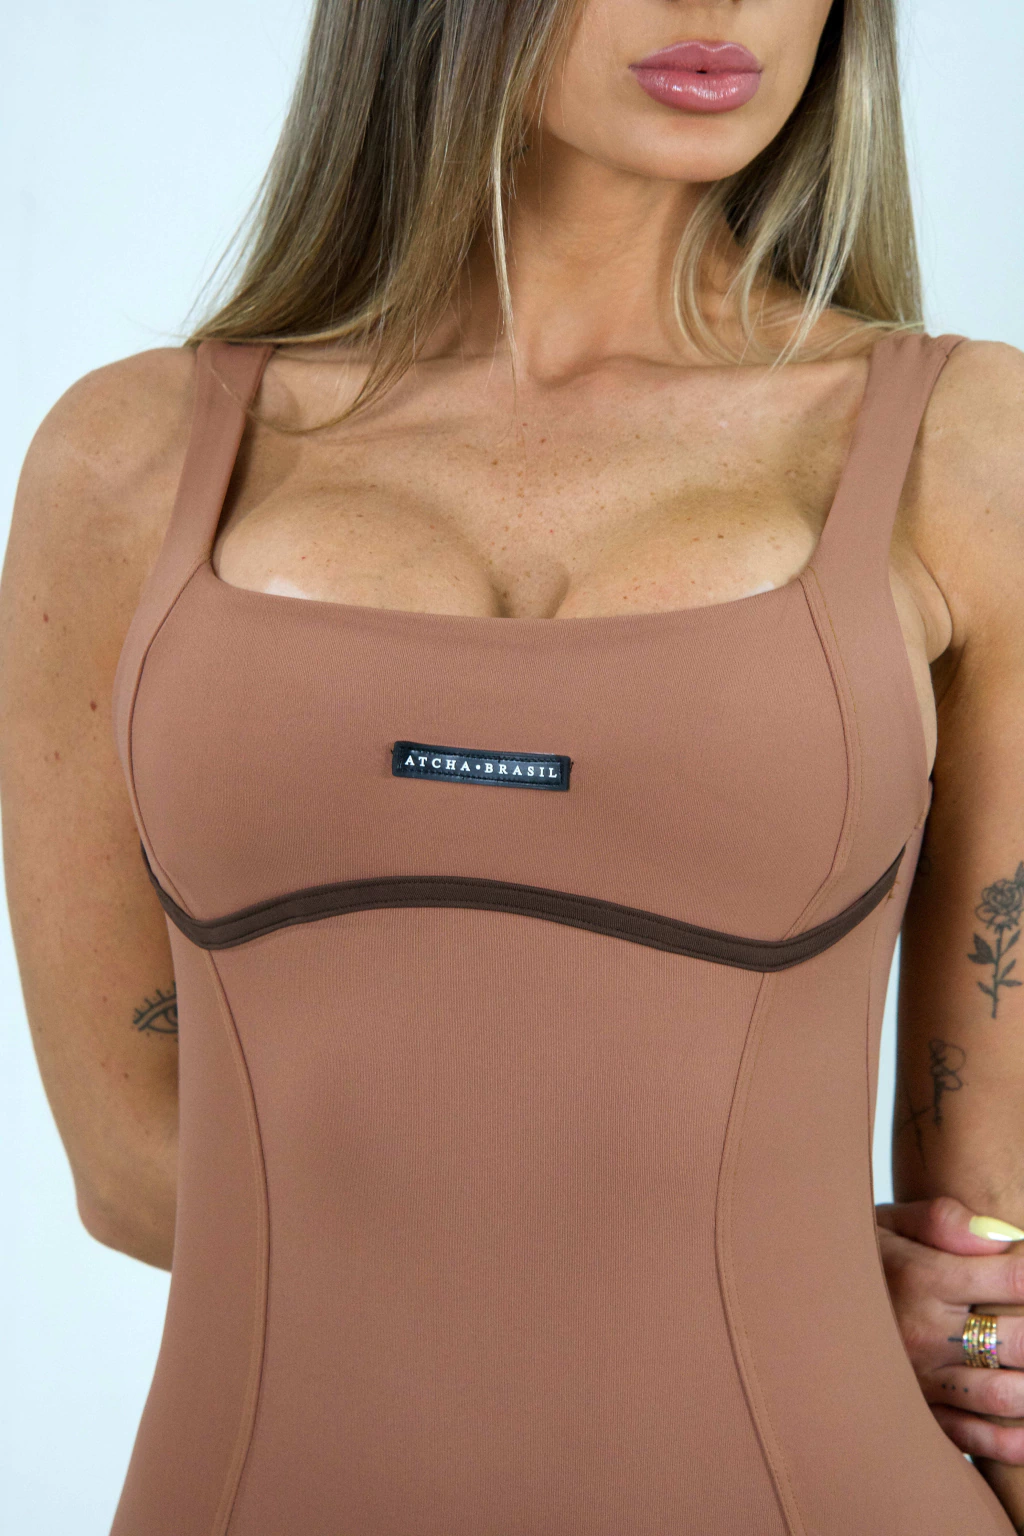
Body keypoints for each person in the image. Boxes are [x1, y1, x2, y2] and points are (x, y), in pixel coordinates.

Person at [3, 0, 1024, 1530]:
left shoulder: (969, 449)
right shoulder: (129, 464)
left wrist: (924, 1317)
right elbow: (134, 1162)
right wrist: (756, 1265)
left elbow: (990, 1246)